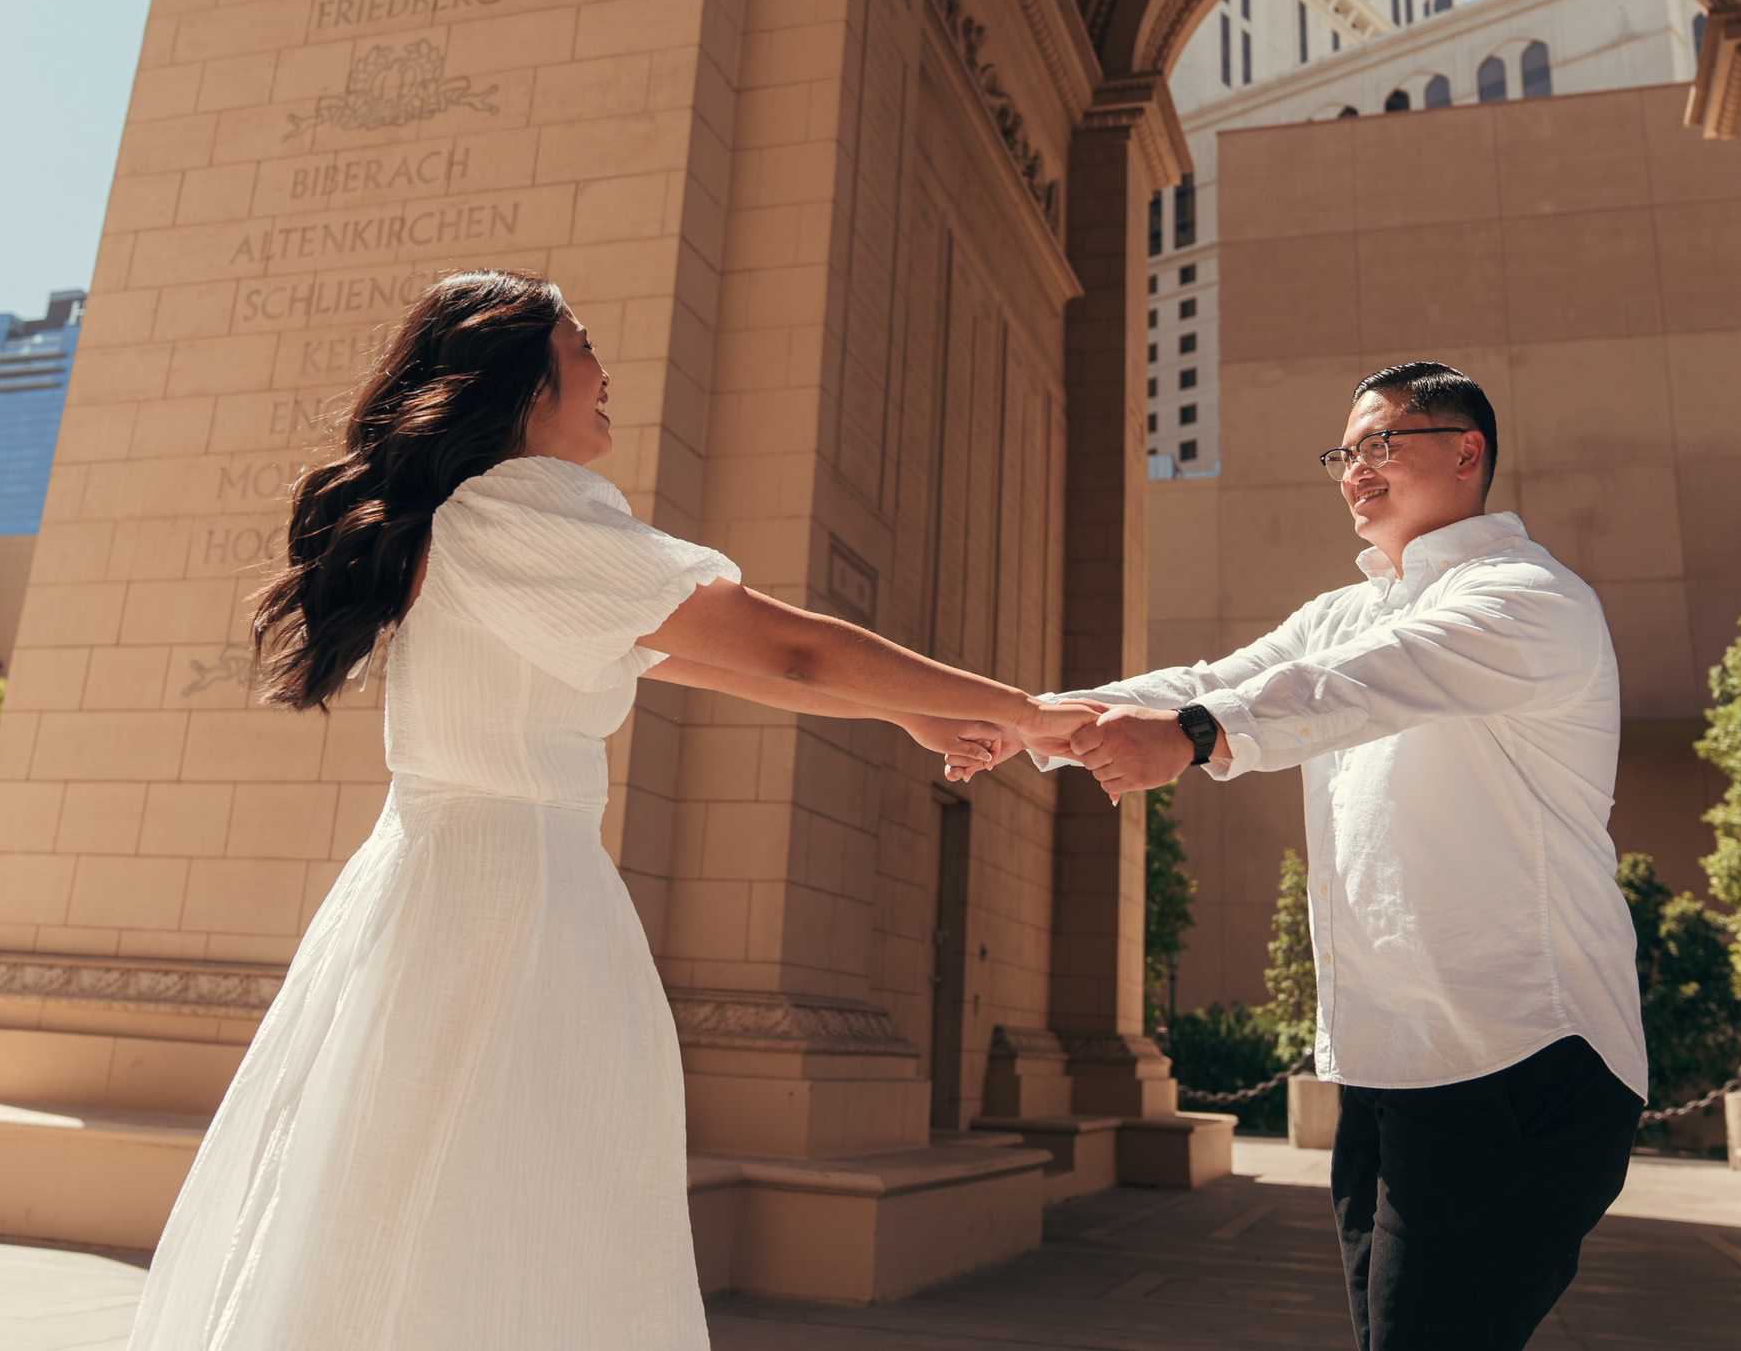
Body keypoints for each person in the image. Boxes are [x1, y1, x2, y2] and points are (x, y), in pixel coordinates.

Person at [126, 270, 1088, 1350]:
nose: (605, 369)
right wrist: (1025, 712)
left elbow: (708, 661)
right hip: (508, 904)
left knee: (426, 1198)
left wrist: (901, 716)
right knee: (521, 1204)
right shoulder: (515, 513)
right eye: (582, 343)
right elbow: (788, 643)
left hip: (455, 890)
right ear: (523, 382)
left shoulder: (484, 526)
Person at [958, 361, 1647, 1351]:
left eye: (1382, 444)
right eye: (1344, 452)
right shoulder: (1343, 612)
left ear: (1467, 453)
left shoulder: (1529, 597)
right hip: (1392, 1064)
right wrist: (1023, 720)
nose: (1354, 469)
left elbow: (1361, 685)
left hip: (1520, 1056)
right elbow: (1212, 677)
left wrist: (1193, 734)